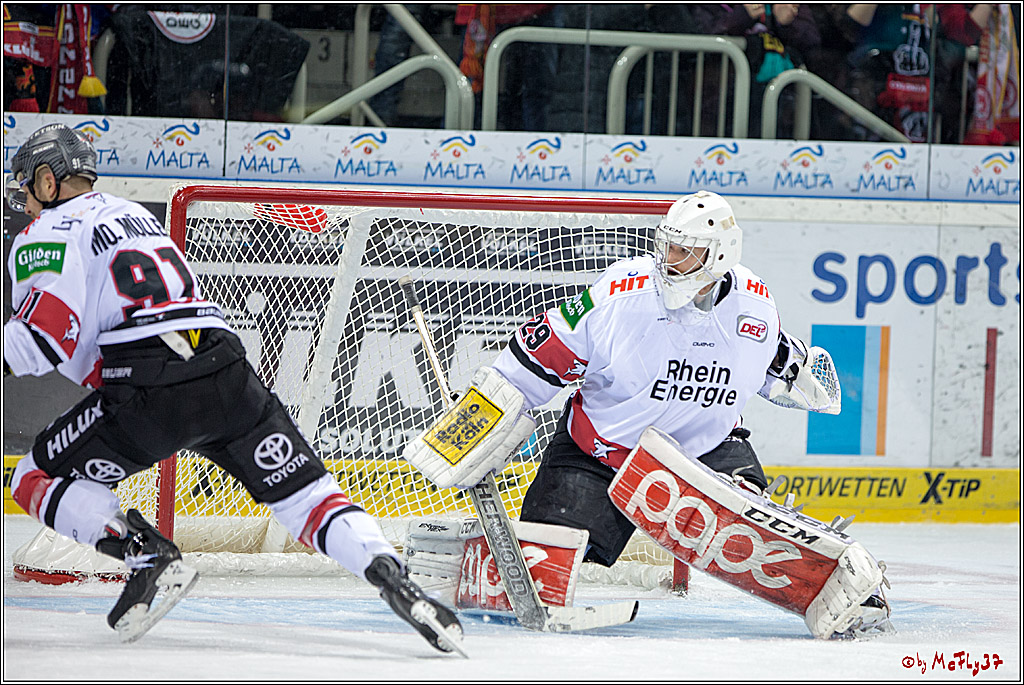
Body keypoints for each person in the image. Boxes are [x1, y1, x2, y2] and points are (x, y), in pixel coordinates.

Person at [3, 123, 463, 652]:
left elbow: (43, 338)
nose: (27, 206)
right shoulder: (133, 216)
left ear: (47, 180)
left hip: (149, 385)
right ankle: (396, 580)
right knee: (305, 495)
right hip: (226, 369)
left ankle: (145, 555)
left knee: (35, 476)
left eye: (28, 190)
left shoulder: (49, 229)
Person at [403, 190, 893, 639]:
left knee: (753, 530)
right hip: (600, 454)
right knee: (538, 567)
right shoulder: (621, 295)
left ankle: (843, 586)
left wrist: (811, 383)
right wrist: (471, 426)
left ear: (720, 255)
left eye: (684, 251)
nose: (669, 259)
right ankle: (459, 559)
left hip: (704, 457)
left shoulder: (754, 306)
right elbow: (534, 360)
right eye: (667, 246)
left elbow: (780, 362)